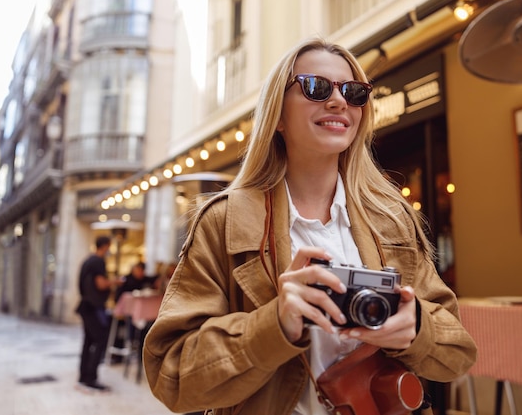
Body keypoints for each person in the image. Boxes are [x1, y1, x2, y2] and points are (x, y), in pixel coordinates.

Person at [143, 38, 477, 415]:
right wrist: (275, 325)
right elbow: (171, 376)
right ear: (278, 115)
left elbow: (458, 356)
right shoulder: (224, 221)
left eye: (353, 93)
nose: (338, 102)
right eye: (316, 87)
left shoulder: (393, 219)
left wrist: (416, 328)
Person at [75, 235, 121, 392]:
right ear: (105, 246)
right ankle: (91, 378)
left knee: (88, 342)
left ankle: (84, 376)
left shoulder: (88, 260)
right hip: (93, 307)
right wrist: (115, 282)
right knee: (101, 340)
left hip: (86, 306)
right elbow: (100, 284)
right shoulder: (97, 261)